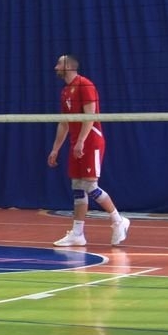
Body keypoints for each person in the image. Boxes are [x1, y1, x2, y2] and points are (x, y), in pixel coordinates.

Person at [49, 54, 129, 248]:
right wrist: (55, 149)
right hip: (77, 142)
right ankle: (78, 233)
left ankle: (119, 221)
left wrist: (81, 141)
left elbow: (90, 116)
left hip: (91, 140)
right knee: (77, 186)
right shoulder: (65, 91)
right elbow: (64, 123)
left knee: (90, 185)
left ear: (69, 66)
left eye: (59, 64)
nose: (55, 67)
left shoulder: (85, 85)